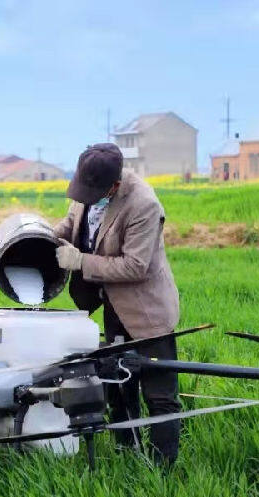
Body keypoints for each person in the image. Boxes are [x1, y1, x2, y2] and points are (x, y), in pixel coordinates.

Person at [52, 143, 181, 466]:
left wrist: (80, 261)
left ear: (114, 186)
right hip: (111, 304)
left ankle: (163, 466)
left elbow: (135, 266)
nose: (84, 197)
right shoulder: (87, 194)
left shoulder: (143, 205)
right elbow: (71, 226)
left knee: (159, 394)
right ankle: (127, 453)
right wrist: (42, 237)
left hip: (146, 311)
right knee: (117, 383)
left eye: (92, 192)